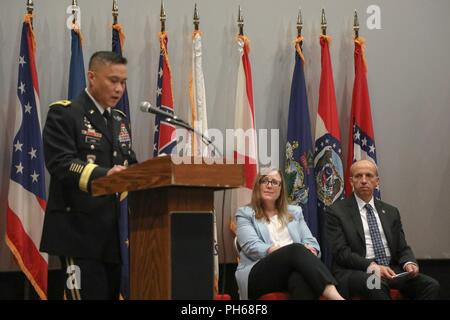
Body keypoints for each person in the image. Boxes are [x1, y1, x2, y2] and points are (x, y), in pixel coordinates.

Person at [40, 51, 137, 300]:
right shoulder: (65, 114)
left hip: (114, 237)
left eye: (123, 82)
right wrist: (106, 175)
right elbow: (61, 164)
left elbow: (130, 165)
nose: (119, 89)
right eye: (113, 80)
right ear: (92, 77)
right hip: (78, 234)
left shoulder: (119, 120)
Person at [326, 159, 440, 299]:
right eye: (358, 176)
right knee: (376, 285)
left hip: (391, 270)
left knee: (431, 285)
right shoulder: (336, 212)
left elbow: (402, 247)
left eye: (369, 175)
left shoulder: (391, 212)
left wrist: (409, 263)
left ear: (377, 181)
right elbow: (341, 253)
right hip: (358, 271)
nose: (363, 180)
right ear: (351, 181)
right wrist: (372, 266)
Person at [235, 168, 344, 300]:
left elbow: (312, 243)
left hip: (289, 271)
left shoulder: (295, 212)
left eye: (275, 182)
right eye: (264, 181)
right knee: (295, 249)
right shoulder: (245, 213)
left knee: (299, 279)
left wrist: (311, 251)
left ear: (281, 188)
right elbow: (252, 247)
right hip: (257, 273)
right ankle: (336, 296)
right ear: (258, 185)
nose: (269, 185)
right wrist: (284, 251)